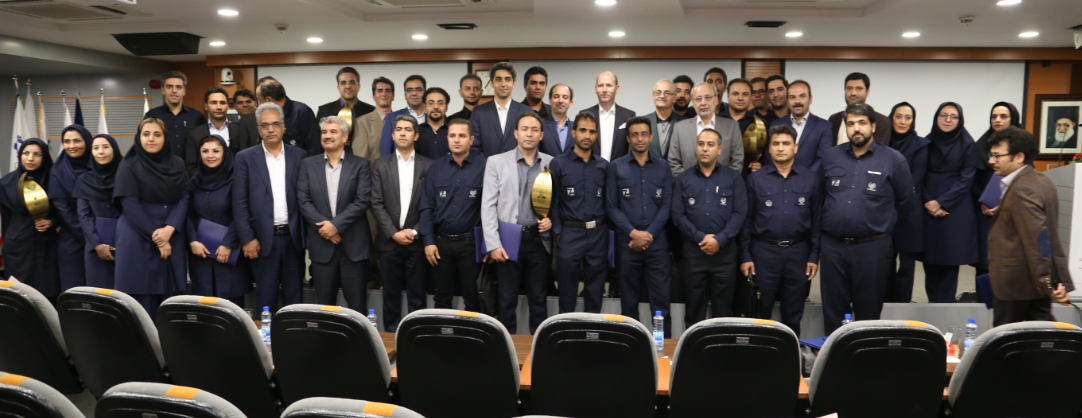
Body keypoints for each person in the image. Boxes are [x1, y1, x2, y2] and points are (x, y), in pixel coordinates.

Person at [818, 103, 913, 334]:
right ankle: (834, 355)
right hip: (832, 248)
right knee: (833, 310)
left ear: (873, 126)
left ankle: (864, 355)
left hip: (872, 249)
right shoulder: (831, 157)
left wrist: (877, 222)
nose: (856, 128)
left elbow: (905, 203)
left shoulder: (893, 159)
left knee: (868, 312)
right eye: (851, 124)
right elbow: (819, 198)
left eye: (861, 123)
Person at [986, 127, 1074, 325]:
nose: (991, 161)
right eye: (991, 155)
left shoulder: (1022, 189)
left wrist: (1046, 283)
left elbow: (1037, 240)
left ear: (1019, 157)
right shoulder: (1040, 180)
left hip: (1016, 286)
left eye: (997, 156)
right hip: (1032, 283)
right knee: (1040, 334)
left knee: (1006, 339)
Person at [740, 125, 820, 336]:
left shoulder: (810, 178)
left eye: (786, 143)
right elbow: (746, 220)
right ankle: (761, 355)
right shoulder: (755, 179)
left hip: (798, 252)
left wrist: (814, 255)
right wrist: (745, 255)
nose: (781, 148)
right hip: (764, 253)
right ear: (769, 148)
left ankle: (790, 354)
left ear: (796, 147)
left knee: (793, 314)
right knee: (760, 313)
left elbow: (817, 220)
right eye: (776, 144)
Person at [481, 112, 555, 334]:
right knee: (506, 300)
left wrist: (551, 220)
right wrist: (493, 244)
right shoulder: (496, 162)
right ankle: (507, 348)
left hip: (539, 240)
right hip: (508, 240)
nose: (529, 134)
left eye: (534, 130)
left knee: (539, 300)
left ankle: (537, 348)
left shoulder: (551, 163)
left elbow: (557, 203)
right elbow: (488, 206)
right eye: (524, 129)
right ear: (516, 133)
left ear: (541, 135)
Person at [233, 102, 307, 313]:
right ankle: (266, 335)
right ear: (259, 129)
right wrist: (247, 238)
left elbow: (306, 198)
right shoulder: (245, 158)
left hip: (293, 238)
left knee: (295, 299)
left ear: (284, 127)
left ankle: (293, 334)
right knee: (266, 300)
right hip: (261, 239)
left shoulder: (300, 156)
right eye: (265, 125)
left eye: (275, 124)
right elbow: (239, 202)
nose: (271, 129)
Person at [113, 119, 189, 318]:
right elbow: (130, 204)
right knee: (142, 302)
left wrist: (170, 228)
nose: (151, 139)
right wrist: (159, 239)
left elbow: (184, 197)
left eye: (157, 134)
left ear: (165, 138)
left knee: (170, 301)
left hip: (171, 234)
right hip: (138, 236)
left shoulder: (177, 163)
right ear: (139, 137)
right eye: (146, 134)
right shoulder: (128, 165)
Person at [672, 128, 747, 325]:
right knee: (693, 312)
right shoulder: (683, 179)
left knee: (723, 314)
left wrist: (719, 240)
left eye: (710, 145)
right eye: (701, 144)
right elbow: (678, 215)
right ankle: (692, 346)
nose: (705, 149)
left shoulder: (733, 178)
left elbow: (740, 213)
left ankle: (721, 347)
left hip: (725, 256)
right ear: (696, 147)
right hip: (694, 255)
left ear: (719, 149)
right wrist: (700, 237)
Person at [298, 116, 373, 310]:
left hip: (354, 246)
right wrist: (327, 229)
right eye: (324, 132)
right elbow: (304, 201)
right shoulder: (307, 165)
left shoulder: (361, 165)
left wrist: (335, 226)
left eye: (333, 132)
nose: (327, 136)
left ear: (345, 138)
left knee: (357, 308)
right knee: (324, 308)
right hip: (322, 245)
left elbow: (362, 200)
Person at [607, 116, 673, 336]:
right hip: (627, 246)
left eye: (644, 134)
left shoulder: (663, 167)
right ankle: (633, 348)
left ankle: (662, 347)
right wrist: (633, 233)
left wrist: (648, 235)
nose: (640, 138)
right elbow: (611, 206)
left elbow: (667, 206)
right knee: (628, 303)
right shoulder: (616, 167)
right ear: (628, 138)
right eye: (634, 135)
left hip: (657, 246)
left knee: (661, 304)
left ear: (651, 136)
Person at [372, 115, 432, 332]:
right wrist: (393, 233)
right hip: (389, 243)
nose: (403, 133)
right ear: (392, 135)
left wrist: (415, 232)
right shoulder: (380, 165)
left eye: (408, 129)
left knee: (417, 297)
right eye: (399, 129)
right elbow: (376, 203)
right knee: (390, 296)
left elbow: (431, 205)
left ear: (416, 135)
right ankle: (390, 340)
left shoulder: (429, 165)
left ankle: (417, 338)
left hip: (416, 243)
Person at [419, 118, 486, 312]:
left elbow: (492, 208)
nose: (456, 140)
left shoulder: (484, 166)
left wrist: (488, 245)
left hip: (471, 244)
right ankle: (442, 332)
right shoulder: (436, 167)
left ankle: (472, 332)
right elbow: (427, 207)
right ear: (447, 138)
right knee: (441, 299)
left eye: (462, 136)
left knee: (473, 299)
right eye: (452, 135)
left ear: (471, 139)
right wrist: (428, 242)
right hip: (441, 244)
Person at [918, 102, 979, 303]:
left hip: (955, 210)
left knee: (948, 268)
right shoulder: (927, 142)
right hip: (928, 209)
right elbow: (919, 176)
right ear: (936, 117)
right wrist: (929, 201)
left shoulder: (968, 144)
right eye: (943, 115)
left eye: (953, 116)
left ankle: (945, 311)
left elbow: (966, 179)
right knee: (929, 265)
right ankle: (932, 310)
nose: (948, 120)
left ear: (960, 120)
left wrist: (941, 203)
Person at [550, 112, 609, 314]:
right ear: (573, 133)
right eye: (583, 130)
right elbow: (553, 202)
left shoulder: (604, 166)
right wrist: (558, 232)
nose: (587, 135)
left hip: (598, 234)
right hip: (569, 234)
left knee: (595, 291)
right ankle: (566, 330)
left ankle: (591, 330)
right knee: (567, 291)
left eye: (592, 132)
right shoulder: (559, 163)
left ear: (596, 135)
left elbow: (608, 201)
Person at [186, 135, 251, 307]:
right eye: (205, 151)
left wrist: (228, 244)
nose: (210, 155)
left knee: (232, 309)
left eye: (216, 151)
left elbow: (241, 213)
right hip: (201, 254)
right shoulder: (194, 181)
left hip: (229, 254)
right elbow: (187, 215)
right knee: (205, 307)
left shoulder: (236, 180)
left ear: (225, 152)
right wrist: (192, 241)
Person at [0, 138, 60, 299]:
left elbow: (62, 213)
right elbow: (5, 222)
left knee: (47, 296)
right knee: (18, 297)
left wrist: (52, 222)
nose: (30, 158)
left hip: (46, 248)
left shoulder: (54, 181)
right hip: (17, 250)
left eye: (37, 154)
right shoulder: (6, 183)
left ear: (44, 157)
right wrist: (10, 243)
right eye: (26, 153)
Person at [970, 102, 1021, 276]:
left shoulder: (1023, 147)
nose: (997, 120)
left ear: (1013, 119)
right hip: (985, 212)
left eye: (1003, 116)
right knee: (985, 264)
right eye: (994, 116)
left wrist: (1005, 204)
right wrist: (982, 203)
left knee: (1008, 264)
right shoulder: (981, 145)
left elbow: (1026, 180)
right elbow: (972, 181)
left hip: (1013, 213)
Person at [885, 102, 930, 303]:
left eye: (908, 117)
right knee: (885, 262)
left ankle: (902, 306)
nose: (903, 121)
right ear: (891, 118)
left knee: (906, 266)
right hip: (885, 212)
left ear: (913, 121)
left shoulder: (922, 145)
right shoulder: (883, 143)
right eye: (898, 116)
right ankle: (884, 304)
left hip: (910, 214)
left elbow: (914, 183)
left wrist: (889, 190)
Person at [73, 134, 122, 289]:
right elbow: (84, 215)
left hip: (126, 243)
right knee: (100, 293)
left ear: (114, 149)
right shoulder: (84, 180)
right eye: (95, 148)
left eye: (105, 147)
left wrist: (125, 241)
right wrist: (97, 244)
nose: (100, 151)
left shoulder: (126, 176)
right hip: (96, 247)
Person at [50, 124, 92, 292]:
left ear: (87, 141)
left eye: (77, 141)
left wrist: (100, 239)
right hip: (73, 241)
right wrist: (92, 240)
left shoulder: (99, 166)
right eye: (66, 141)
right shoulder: (57, 172)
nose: (72, 146)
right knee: (76, 293)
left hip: (104, 240)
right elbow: (64, 213)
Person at [668, 83, 743, 176]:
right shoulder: (680, 128)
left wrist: (724, 182)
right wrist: (687, 181)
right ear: (693, 102)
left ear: (716, 100)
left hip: (723, 183)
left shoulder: (732, 126)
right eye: (698, 99)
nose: (703, 103)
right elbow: (673, 162)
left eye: (708, 98)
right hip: (687, 184)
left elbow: (737, 160)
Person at [763, 80, 834, 174]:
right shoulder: (776, 124)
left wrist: (804, 178)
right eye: (792, 97)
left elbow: (823, 158)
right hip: (778, 179)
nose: (797, 101)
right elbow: (769, 155)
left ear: (810, 99)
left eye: (802, 96)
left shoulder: (824, 126)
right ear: (787, 101)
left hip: (810, 180)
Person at [144, 71, 206, 165]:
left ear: (184, 91)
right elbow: (144, 143)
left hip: (190, 170)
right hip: (161, 169)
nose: (174, 90)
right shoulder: (152, 115)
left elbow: (205, 144)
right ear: (163, 90)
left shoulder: (197, 116)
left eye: (178, 87)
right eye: (169, 86)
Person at [471, 62, 532, 157]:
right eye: (498, 79)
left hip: (519, 165)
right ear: (492, 83)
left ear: (514, 83)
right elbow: (474, 147)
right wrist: (490, 165)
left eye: (507, 79)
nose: (503, 84)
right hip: (487, 166)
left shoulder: (526, 112)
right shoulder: (479, 112)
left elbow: (531, 145)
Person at [186, 87, 246, 174]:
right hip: (205, 181)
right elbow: (191, 167)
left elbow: (245, 162)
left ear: (228, 106)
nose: (218, 107)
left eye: (222, 103)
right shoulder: (195, 134)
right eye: (214, 103)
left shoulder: (239, 131)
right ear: (206, 106)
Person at [257, 78, 321, 156]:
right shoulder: (263, 116)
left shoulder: (301, 111)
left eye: (259, 100)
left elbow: (314, 146)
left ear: (269, 99)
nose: (258, 104)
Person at [828, 72, 891, 146]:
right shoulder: (834, 119)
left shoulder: (882, 121)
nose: (853, 93)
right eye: (849, 88)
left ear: (867, 92)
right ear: (845, 90)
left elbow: (879, 150)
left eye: (859, 88)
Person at [584, 72, 635, 161]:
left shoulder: (629, 116)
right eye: (600, 85)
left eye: (609, 85)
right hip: (591, 167)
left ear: (617, 89)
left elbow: (631, 148)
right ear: (596, 89)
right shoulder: (585, 115)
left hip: (619, 168)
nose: (604, 90)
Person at [315, 66, 376, 140]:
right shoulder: (324, 111)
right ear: (338, 87)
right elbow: (318, 138)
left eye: (352, 82)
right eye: (343, 83)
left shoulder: (371, 111)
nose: (348, 86)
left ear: (358, 86)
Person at [379, 75, 427, 157]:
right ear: (405, 95)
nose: (414, 93)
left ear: (425, 93)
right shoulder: (392, 118)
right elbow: (385, 151)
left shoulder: (432, 118)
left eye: (418, 89)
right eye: (409, 90)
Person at [352, 77, 395, 164]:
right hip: (373, 171)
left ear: (393, 96)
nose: (384, 94)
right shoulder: (362, 122)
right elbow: (361, 157)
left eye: (388, 91)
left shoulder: (402, 121)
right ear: (373, 97)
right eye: (380, 91)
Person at [646, 79, 687, 159]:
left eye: (667, 93)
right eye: (658, 93)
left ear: (674, 98)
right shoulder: (642, 122)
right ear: (653, 96)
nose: (662, 96)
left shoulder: (685, 123)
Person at [540, 84, 575, 157]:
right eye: (556, 96)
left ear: (570, 103)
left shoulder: (576, 128)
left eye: (565, 97)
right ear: (550, 100)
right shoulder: (540, 125)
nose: (560, 100)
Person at [416, 87, 451, 160]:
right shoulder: (416, 131)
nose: (435, 107)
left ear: (447, 107)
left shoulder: (454, 131)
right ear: (424, 107)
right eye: (431, 103)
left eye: (440, 103)